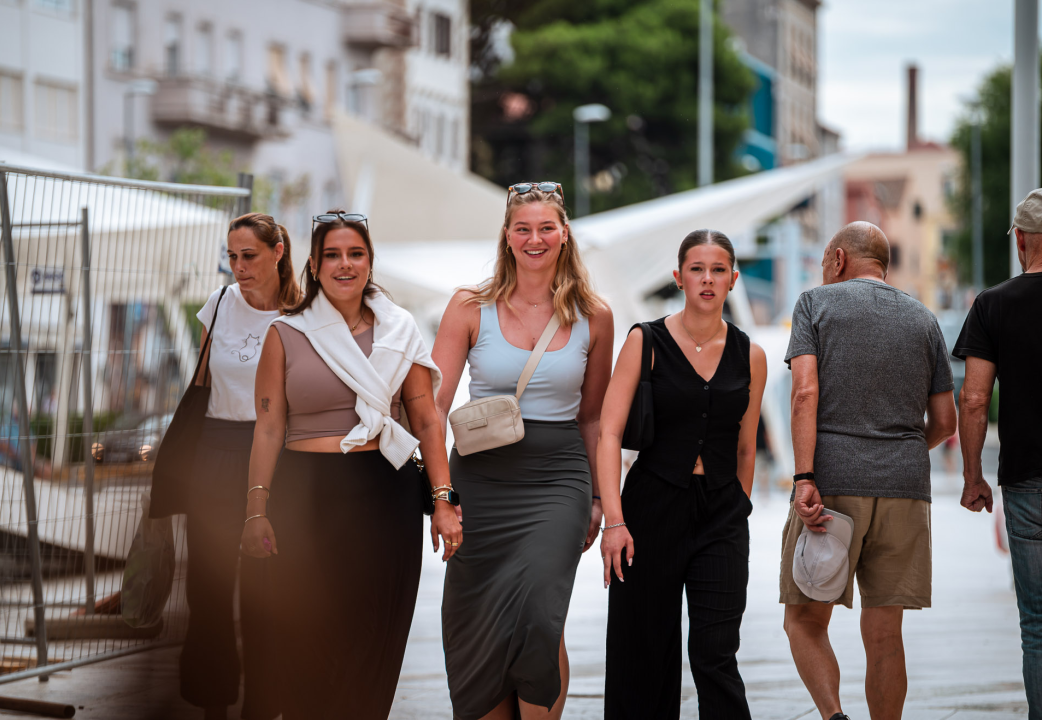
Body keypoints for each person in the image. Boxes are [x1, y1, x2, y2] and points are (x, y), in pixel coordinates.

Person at [240, 210, 461, 719]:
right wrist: (255, 510)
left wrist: (444, 500)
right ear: (314, 266)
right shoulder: (286, 332)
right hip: (305, 496)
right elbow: (269, 427)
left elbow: (427, 422)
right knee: (306, 640)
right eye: (333, 255)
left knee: (373, 637)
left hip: (384, 494)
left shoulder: (400, 330)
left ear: (369, 262)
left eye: (356, 254)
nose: (345, 265)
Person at [432, 182, 614, 720]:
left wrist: (601, 499)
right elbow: (433, 408)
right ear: (507, 236)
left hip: (558, 479)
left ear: (564, 235)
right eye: (523, 228)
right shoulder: (469, 306)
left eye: (546, 228)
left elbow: (594, 416)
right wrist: (440, 495)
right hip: (481, 479)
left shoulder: (593, 315)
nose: (534, 239)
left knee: (540, 609)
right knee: (478, 614)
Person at [780, 221, 957, 720]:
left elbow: (804, 394)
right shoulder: (924, 320)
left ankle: (835, 717)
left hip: (832, 487)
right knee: (885, 634)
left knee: (805, 618)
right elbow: (944, 421)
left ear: (838, 259)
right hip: (905, 490)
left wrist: (803, 477)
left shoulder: (814, 304)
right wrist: (900, 450)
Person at [597, 229, 767, 719]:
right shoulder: (644, 341)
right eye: (697, 269)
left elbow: (745, 446)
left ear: (733, 279)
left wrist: (739, 508)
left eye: (718, 270)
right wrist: (614, 520)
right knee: (643, 652)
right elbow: (609, 434)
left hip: (721, 513)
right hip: (649, 507)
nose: (707, 279)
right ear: (678, 277)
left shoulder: (750, 355)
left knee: (716, 652)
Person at [168, 212, 299, 720]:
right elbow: (200, 385)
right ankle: (212, 704)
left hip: (278, 456)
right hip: (216, 450)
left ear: (278, 253)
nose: (239, 267)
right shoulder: (219, 304)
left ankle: (265, 705)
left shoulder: (302, 313)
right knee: (209, 587)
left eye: (249, 256)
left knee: (271, 587)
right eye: (232, 257)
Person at [953, 188, 1042, 720]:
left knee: (1036, 622)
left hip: (1028, 478)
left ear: (1022, 241)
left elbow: (974, 398)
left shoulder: (993, 304)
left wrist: (972, 476)